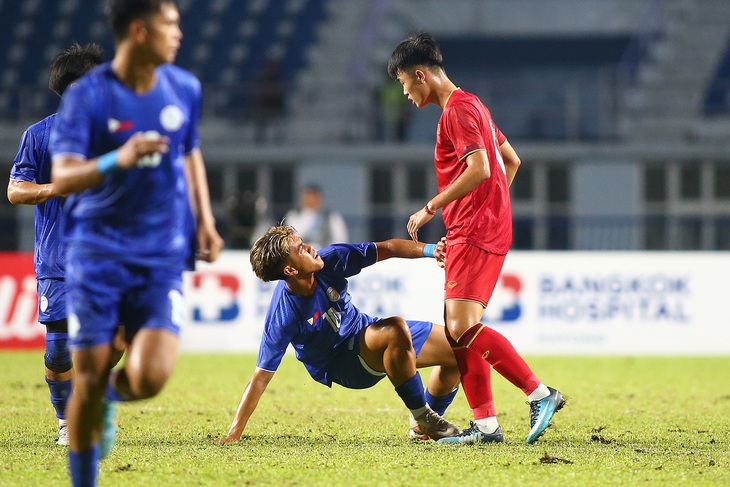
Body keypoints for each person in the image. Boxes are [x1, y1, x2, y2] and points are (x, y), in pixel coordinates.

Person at [49, 1, 223, 485]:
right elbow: (63, 177)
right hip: (97, 254)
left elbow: (190, 153)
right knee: (85, 374)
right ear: (140, 30)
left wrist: (205, 220)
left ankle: (108, 395)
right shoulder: (89, 96)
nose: (179, 34)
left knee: (150, 378)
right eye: (171, 24)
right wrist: (117, 160)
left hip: (162, 254)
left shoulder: (184, 88)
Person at [388, 32, 565, 445]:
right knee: (459, 331)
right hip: (480, 226)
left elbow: (483, 168)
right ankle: (486, 425)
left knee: (462, 328)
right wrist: (493, 205)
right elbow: (511, 160)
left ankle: (540, 394)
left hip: (475, 231)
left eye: (403, 84)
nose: (405, 93)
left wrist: (431, 207)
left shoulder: (456, 112)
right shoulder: (475, 106)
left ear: (420, 75)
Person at [218, 225, 462, 443]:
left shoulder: (329, 259)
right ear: (290, 270)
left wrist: (432, 250)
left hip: (364, 330)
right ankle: (422, 415)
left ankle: (424, 424)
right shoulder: (284, 313)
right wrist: (234, 433)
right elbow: (261, 375)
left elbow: (386, 248)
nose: (310, 247)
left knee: (460, 350)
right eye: (300, 248)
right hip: (343, 363)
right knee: (396, 329)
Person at [7, 42, 126, 448]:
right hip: (58, 260)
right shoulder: (38, 136)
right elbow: (15, 191)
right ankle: (66, 420)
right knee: (58, 352)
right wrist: (55, 187)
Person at [284, 184, 348, 250]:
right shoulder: (293, 216)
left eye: (314, 198)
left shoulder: (332, 217)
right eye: (307, 198)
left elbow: (340, 240)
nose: (311, 201)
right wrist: (308, 215)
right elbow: (293, 238)